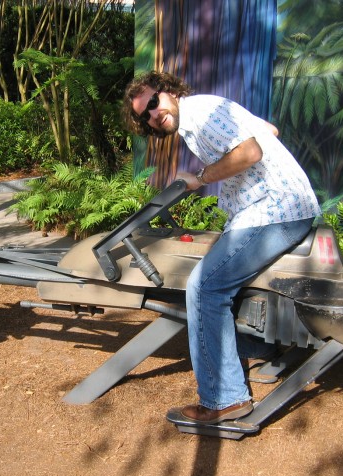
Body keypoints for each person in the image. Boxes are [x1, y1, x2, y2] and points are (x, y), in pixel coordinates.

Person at [123, 71, 321, 424]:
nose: (153, 114)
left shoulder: (198, 115)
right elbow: (269, 131)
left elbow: (250, 150)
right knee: (228, 275)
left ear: (168, 92)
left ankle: (224, 399)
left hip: (275, 211)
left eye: (153, 102)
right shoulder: (206, 112)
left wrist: (200, 178)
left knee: (205, 287)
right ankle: (256, 347)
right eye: (145, 115)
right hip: (282, 207)